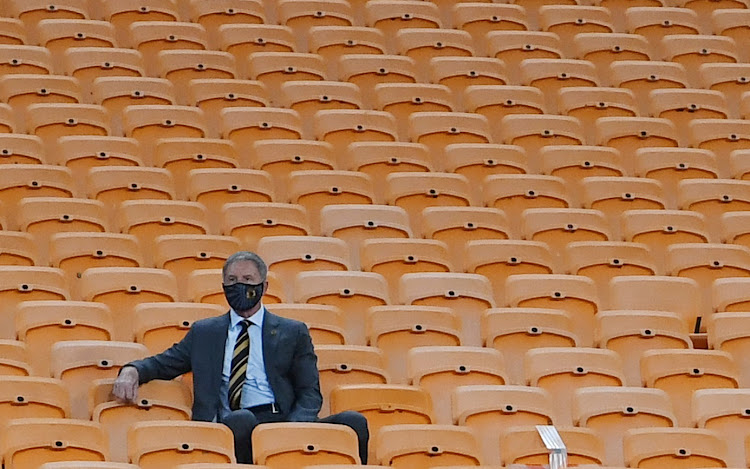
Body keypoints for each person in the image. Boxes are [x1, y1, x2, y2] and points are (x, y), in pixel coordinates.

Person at [113, 251, 369, 464]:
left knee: (353, 422)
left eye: (248, 279)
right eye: (233, 280)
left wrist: (294, 429)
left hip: (284, 418)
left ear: (264, 286)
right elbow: (163, 363)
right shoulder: (206, 333)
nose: (240, 286)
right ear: (224, 286)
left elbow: (310, 392)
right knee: (242, 419)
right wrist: (131, 370)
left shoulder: (293, 332)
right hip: (234, 424)